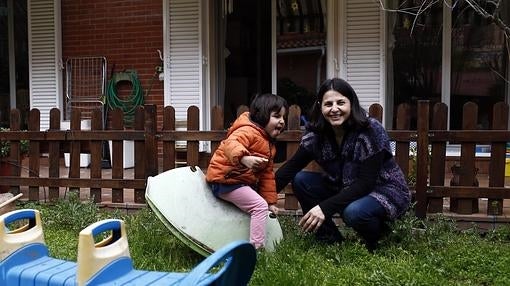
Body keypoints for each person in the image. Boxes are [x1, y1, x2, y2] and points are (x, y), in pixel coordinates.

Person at [275, 78, 411, 252]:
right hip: (343, 186)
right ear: (320, 106)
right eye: (328, 104)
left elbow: (365, 184)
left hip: (383, 189)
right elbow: (291, 167)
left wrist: (324, 208)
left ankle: (376, 241)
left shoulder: (370, 130)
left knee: (353, 212)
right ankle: (329, 240)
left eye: (340, 103)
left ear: (351, 103)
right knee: (301, 179)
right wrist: (261, 196)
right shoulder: (317, 134)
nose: (334, 109)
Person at [206, 93, 288, 250]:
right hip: (225, 181)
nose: (282, 121)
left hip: (239, 182)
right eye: (277, 116)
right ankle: (256, 248)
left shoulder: (269, 145)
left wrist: (271, 202)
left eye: (284, 117)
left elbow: (267, 175)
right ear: (263, 115)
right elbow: (230, 144)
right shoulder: (247, 131)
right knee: (259, 206)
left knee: (262, 204)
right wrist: (244, 158)